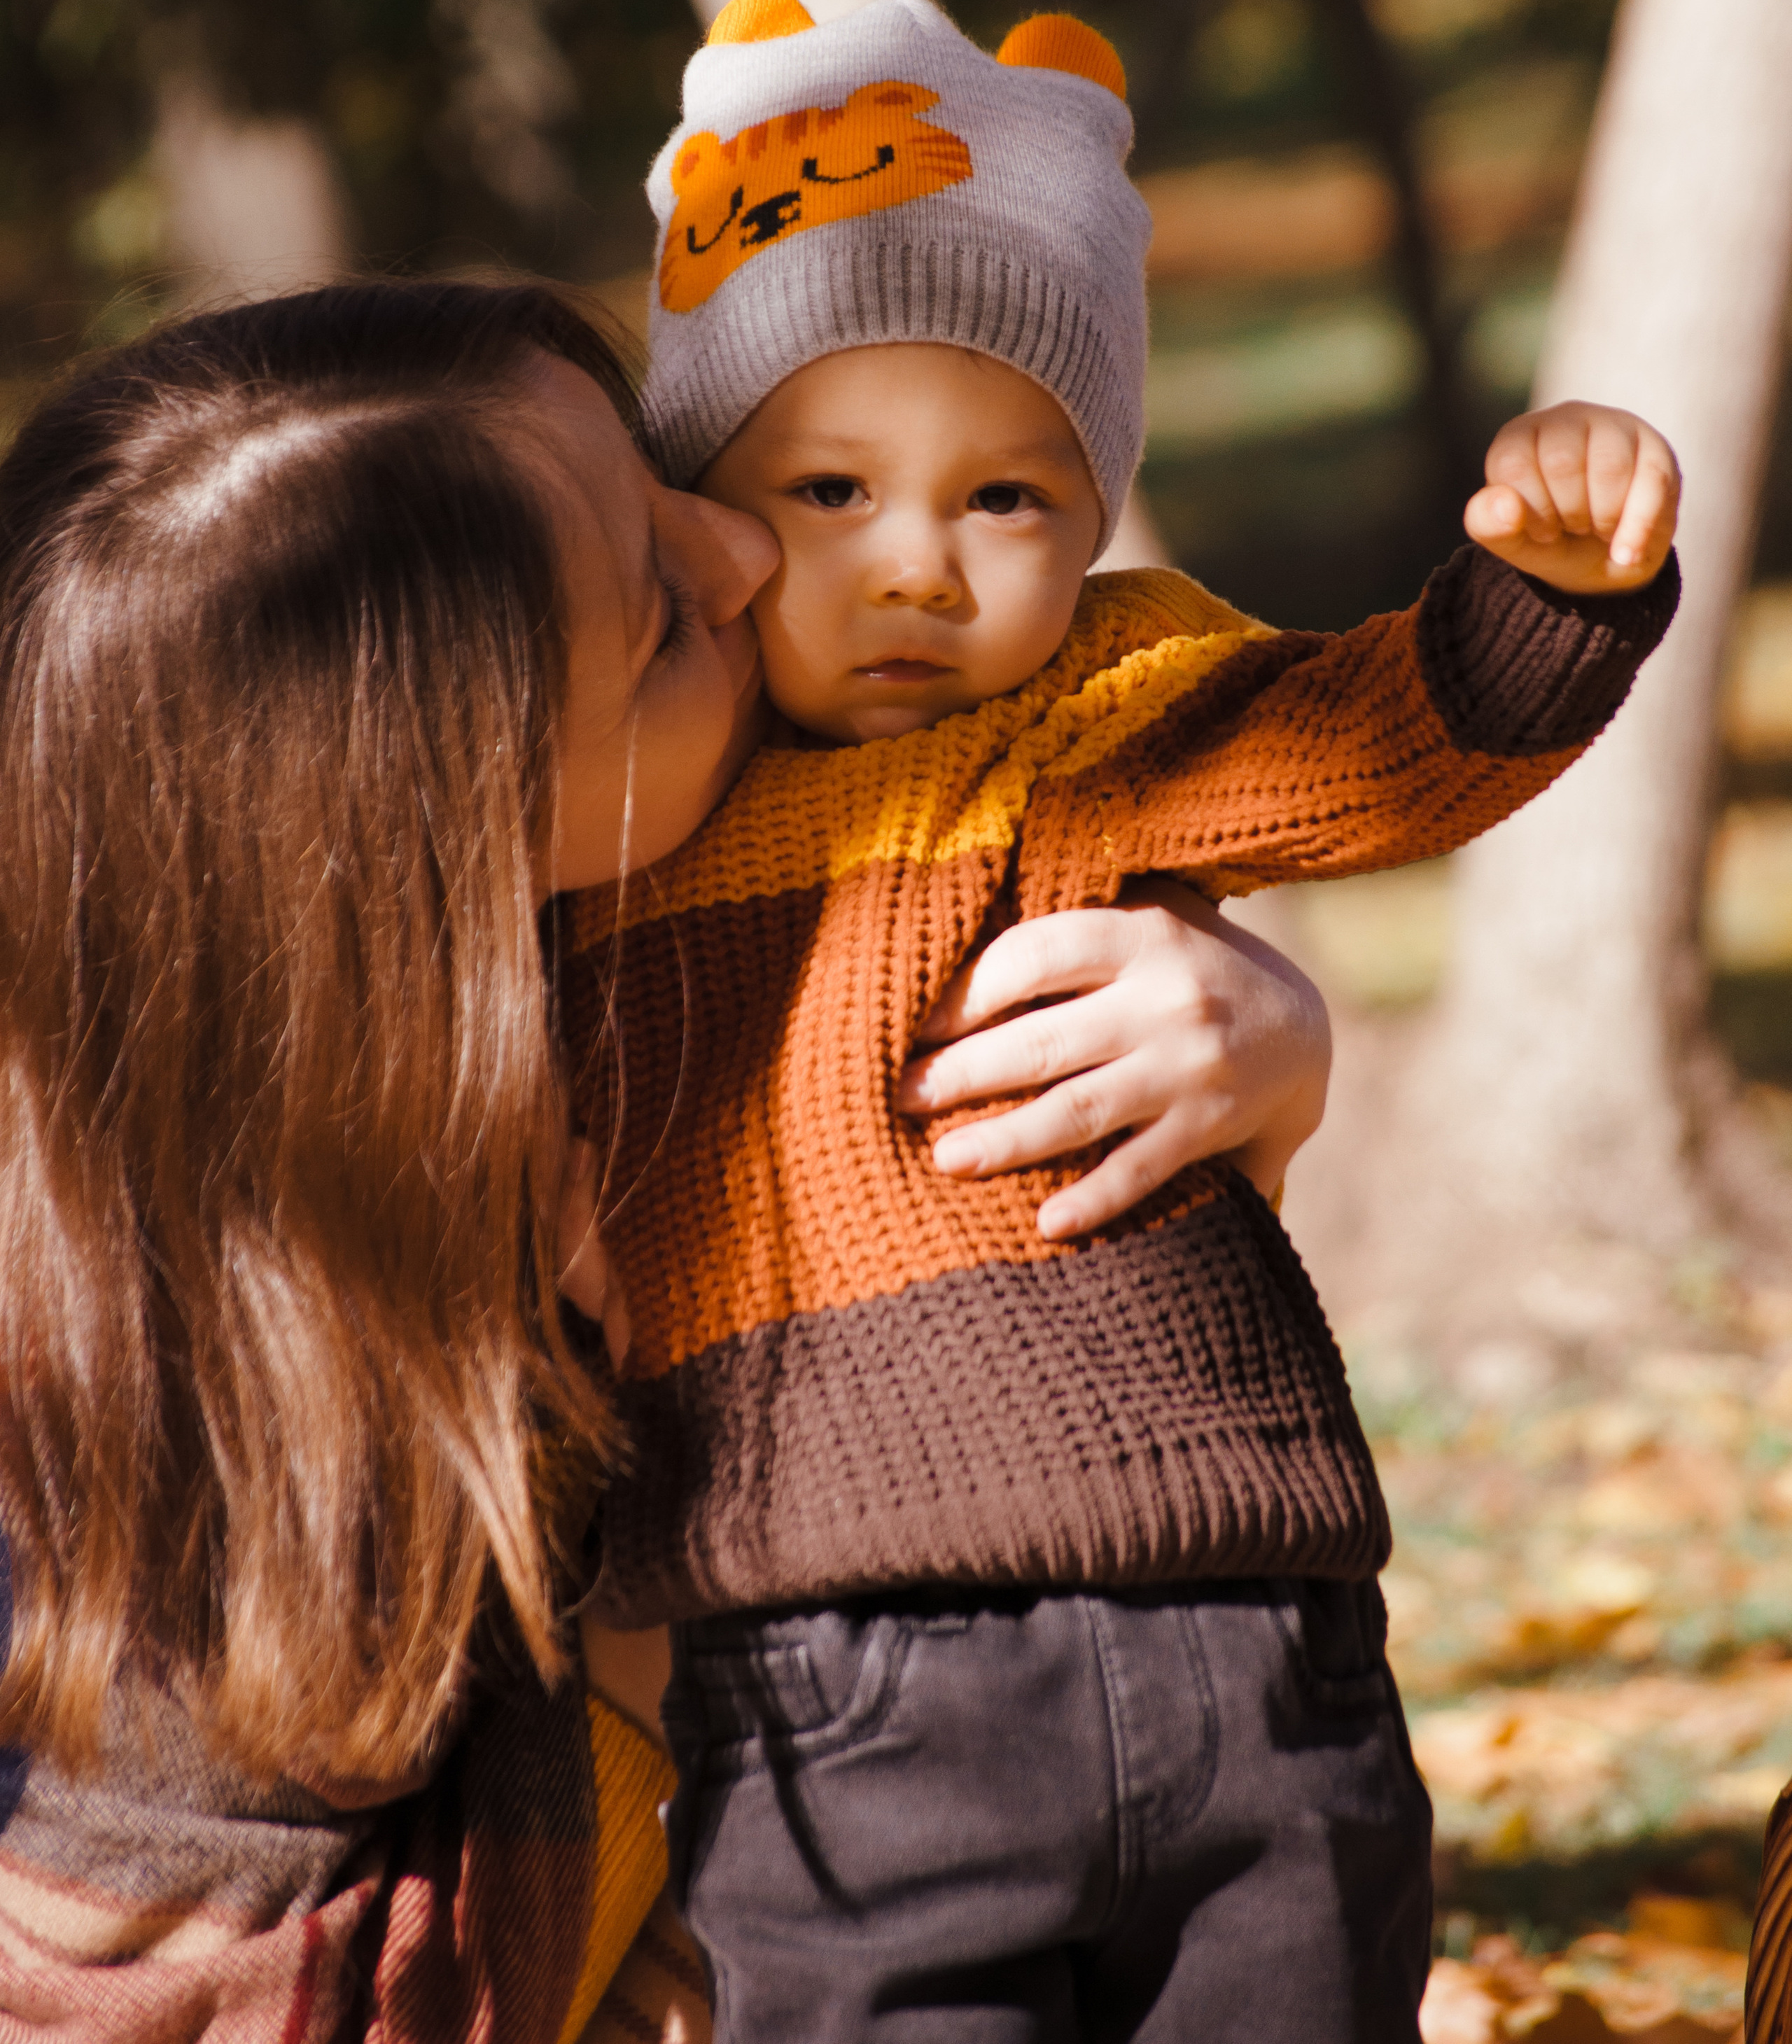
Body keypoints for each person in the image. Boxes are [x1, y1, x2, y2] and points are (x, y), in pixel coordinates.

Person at [0, 277, 1329, 2042]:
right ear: (452, 847)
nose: (747, 553)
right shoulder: (180, 1358)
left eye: (656, 473)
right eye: (656, 618)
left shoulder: (695, 924)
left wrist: (1267, 1060)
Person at [560, 0, 1682, 2043]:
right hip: (834, 1692)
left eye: (1010, 497)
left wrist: (1551, 592)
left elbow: (1385, 744)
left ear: (1092, 524)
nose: (919, 561)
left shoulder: (1102, 722)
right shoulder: (616, 829)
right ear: (701, 506)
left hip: (1257, 1639)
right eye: (829, 488)